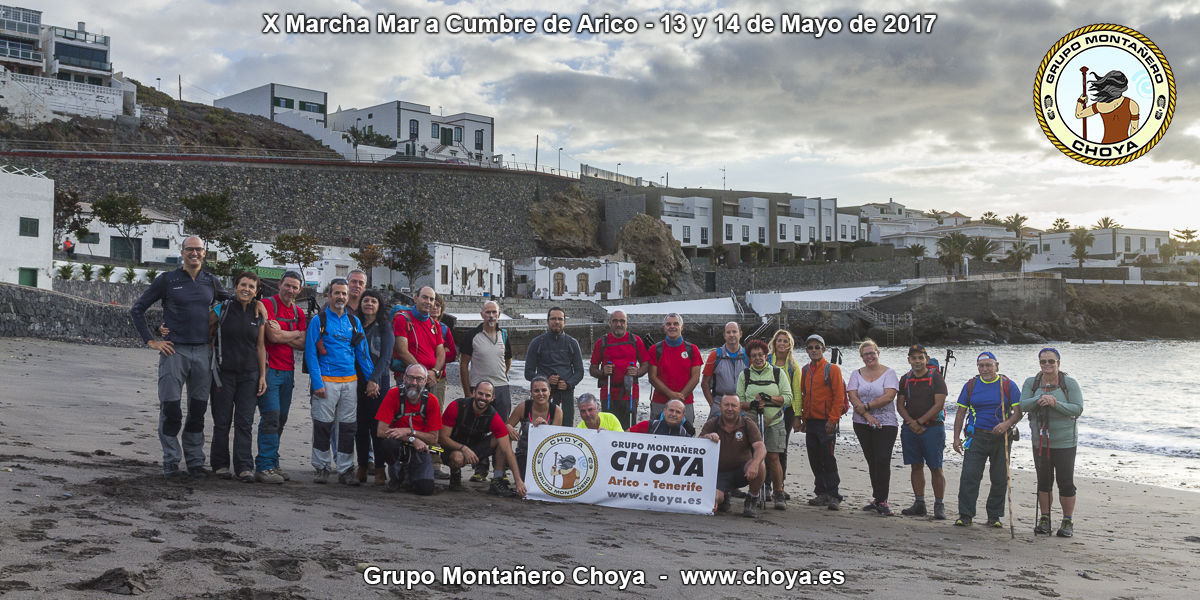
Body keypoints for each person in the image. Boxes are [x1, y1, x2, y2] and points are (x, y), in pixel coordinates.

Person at [130, 236, 231, 479]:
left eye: (198, 250)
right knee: (172, 409)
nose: (194, 253)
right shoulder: (167, 280)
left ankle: (195, 462)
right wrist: (152, 339)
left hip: (203, 352)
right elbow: (137, 309)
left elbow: (232, 303)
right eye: (189, 250)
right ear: (182, 252)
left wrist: (258, 307)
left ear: (204, 253)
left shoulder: (211, 281)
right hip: (174, 351)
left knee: (197, 411)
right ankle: (171, 461)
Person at [305, 278, 374, 486]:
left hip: (350, 383)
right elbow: (310, 353)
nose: (341, 297)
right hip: (326, 382)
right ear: (329, 296)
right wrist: (317, 383)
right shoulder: (320, 320)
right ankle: (322, 468)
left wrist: (372, 380)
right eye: (337, 293)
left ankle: (345, 470)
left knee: (347, 428)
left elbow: (362, 354)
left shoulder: (354, 322)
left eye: (344, 294)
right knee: (323, 426)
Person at [208, 271, 268, 483]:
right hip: (223, 374)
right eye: (243, 285)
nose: (247, 289)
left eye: (251, 287)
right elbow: (202, 327)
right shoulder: (222, 308)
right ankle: (220, 464)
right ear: (235, 286)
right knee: (222, 421)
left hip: (250, 375)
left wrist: (262, 376)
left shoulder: (258, 313)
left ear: (256, 291)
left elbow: (260, 346)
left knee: (244, 422)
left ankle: (244, 466)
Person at [953, 351, 1023, 528]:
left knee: (999, 477)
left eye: (989, 365)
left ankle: (994, 516)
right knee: (970, 475)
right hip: (975, 436)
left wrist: (1006, 425)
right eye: (981, 366)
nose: (985, 369)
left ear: (996, 366)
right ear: (978, 367)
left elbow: (1018, 413)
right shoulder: (971, 385)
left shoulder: (1008, 385)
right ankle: (966, 515)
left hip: (1002, 437)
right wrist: (956, 438)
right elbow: (960, 413)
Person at [1019, 348, 1084, 538]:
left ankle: (1067, 520)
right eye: (1043, 362)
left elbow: (1077, 408)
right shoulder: (1032, 382)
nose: (1047, 365)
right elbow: (1023, 405)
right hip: (1040, 442)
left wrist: (1055, 403)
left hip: (1065, 442)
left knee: (1066, 482)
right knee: (1044, 481)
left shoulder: (1069, 383)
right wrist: (1040, 399)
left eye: (1051, 362)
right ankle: (1045, 518)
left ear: (1058, 363)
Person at [257, 270, 306, 482]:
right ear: (280, 284)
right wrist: (292, 334)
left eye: (295, 287)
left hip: (288, 372)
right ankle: (264, 466)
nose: (290, 290)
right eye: (287, 285)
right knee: (271, 417)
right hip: (269, 371)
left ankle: (273, 463)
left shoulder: (299, 313)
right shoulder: (268, 305)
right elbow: (271, 336)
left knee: (282, 419)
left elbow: (303, 343)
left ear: (300, 290)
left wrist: (282, 335)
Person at [439, 381, 526, 497]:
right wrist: (463, 448)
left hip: (475, 449)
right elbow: (442, 438)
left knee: (503, 436)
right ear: (474, 392)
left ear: (492, 398)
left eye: (487, 395)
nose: (483, 398)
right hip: (452, 448)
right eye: (480, 393)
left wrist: (519, 480)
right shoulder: (457, 406)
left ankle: (497, 479)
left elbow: (508, 451)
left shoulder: (493, 415)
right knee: (457, 457)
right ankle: (455, 473)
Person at [459, 300, 513, 482]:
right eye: (488, 312)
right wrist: (468, 392)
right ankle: (480, 469)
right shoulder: (472, 335)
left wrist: (500, 376)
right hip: (477, 388)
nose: (491, 316)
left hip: (502, 388)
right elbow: (464, 363)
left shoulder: (504, 335)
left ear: (499, 315)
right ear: (482, 314)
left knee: (502, 430)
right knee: (479, 429)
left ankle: (501, 472)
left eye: (494, 313)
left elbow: (508, 360)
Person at [736, 339, 793, 510]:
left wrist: (770, 399)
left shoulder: (778, 373)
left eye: (761, 354)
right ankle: (755, 491)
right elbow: (739, 400)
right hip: (752, 422)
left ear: (766, 355)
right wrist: (752, 404)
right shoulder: (744, 375)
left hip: (774, 420)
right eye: (754, 356)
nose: (758, 358)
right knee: (753, 458)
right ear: (749, 358)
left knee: (773, 457)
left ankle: (778, 492)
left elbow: (788, 398)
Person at [794, 334, 848, 510]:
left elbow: (839, 397)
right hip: (811, 422)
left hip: (827, 421)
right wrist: (802, 418)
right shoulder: (805, 370)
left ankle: (834, 494)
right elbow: (803, 396)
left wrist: (833, 420)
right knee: (814, 458)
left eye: (817, 347)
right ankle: (821, 492)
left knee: (828, 458)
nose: (814, 350)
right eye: (810, 347)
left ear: (824, 349)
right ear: (806, 351)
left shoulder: (832, 370)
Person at [847, 339, 900, 516]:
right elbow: (852, 396)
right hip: (862, 423)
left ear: (878, 353)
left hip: (886, 423)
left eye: (872, 353)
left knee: (882, 459)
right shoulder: (856, 374)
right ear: (861, 357)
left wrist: (868, 407)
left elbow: (889, 396)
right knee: (872, 460)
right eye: (865, 354)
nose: (869, 356)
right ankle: (877, 498)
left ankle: (883, 500)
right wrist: (867, 415)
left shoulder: (889, 373)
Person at [896, 344, 949, 520]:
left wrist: (919, 422)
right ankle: (919, 503)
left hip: (933, 428)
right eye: (914, 358)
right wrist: (912, 423)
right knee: (916, 465)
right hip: (910, 428)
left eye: (921, 358)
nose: (917, 361)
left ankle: (939, 504)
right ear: (909, 360)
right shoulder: (905, 379)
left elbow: (939, 404)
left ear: (926, 359)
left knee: (936, 467)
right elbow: (900, 405)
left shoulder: (936, 378)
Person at [375, 364, 442, 496]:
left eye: (419, 379)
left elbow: (434, 438)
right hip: (398, 444)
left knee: (425, 489)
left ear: (425, 381)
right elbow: (381, 431)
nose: (414, 383)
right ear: (404, 378)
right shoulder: (393, 394)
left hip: (421, 447)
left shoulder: (432, 401)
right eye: (410, 378)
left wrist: (409, 431)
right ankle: (396, 475)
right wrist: (412, 439)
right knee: (388, 443)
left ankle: (411, 476)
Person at [701, 394, 767, 518]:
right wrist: (707, 437)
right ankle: (724, 496)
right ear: (720, 406)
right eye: (726, 405)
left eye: (733, 405)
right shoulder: (712, 423)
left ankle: (752, 499)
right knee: (716, 499)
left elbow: (760, 447)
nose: (730, 408)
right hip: (718, 474)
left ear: (740, 408)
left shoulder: (747, 423)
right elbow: (696, 446)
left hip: (741, 472)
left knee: (760, 465)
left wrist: (754, 464)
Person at [355, 289, 394, 485]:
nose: (369, 304)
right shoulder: (354, 325)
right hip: (357, 382)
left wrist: (374, 380)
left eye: (373, 301)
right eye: (366, 300)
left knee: (377, 428)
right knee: (359, 427)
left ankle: (380, 469)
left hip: (380, 382)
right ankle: (362, 466)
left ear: (379, 306)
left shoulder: (384, 327)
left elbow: (386, 357)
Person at [523, 307, 584, 426]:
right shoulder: (537, 343)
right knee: (542, 428)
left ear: (564, 322)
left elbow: (579, 372)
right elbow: (528, 373)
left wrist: (568, 383)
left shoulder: (572, 343)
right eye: (553, 319)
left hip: (566, 394)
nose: (557, 322)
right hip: (543, 395)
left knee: (566, 429)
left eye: (560, 319)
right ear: (547, 321)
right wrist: (545, 381)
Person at [590, 310, 650, 430]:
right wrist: (603, 372)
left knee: (629, 428)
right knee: (608, 427)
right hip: (608, 392)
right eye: (615, 321)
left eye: (622, 321)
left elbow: (646, 364)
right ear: (610, 323)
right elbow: (592, 369)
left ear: (627, 323)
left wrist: (637, 372)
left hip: (630, 392)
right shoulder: (602, 342)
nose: (619, 324)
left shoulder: (635, 341)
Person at [767, 329, 804, 497]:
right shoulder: (766, 360)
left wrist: (797, 416)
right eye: (779, 341)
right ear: (774, 343)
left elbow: (797, 392)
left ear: (790, 345)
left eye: (785, 341)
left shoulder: (793, 367)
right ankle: (765, 484)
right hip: (767, 409)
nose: (782, 344)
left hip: (786, 411)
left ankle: (779, 486)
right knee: (764, 448)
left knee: (781, 449)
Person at [647, 313, 703, 422]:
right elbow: (652, 377)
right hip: (660, 402)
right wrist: (670, 394)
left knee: (686, 437)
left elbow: (695, 377)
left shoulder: (693, 349)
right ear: (664, 328)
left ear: (681, 327)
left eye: (676, 324)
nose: (672, 326)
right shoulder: (655, 349)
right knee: (657, 436)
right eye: (668, 324)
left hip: (685, 402)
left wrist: (680, 397)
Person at [507, 376, 562, 481]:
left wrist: (544, 429)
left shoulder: (556, 411)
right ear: (531, 393)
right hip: (524, 453)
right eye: (536, 391)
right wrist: (508, 427)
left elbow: (554, 441)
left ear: (550, 392)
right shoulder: (523, 407)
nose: (540, 394)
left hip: (545, 455)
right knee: (503, 436)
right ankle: (499, 476)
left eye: (544, 390)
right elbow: (506, 427)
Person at [392, 286, 446, 391]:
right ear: (416, 299)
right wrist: (422, 373)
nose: (428, 302)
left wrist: (434, 372)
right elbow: (402, 351)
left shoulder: (435, 325)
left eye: (431, 299)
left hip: (429, 379)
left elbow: (441, 352)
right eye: (424, 297)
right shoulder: (403, 320)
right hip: (409, 378)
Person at [701, 322, 749, 422]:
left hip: (742, 404)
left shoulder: (748, 356)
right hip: (720, 402)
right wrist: (712, 404)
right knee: (712, 434)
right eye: (728, 332)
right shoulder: (715, 355)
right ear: (724, 335)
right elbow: (705, 383)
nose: (731, 335)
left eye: (734, 332)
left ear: (740, 334)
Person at [1075, 70, 1140, 144]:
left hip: (1105, 145)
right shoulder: (1132, 104)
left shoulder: (1100, 105)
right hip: (1124, 147)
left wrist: (1080, 101)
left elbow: (1079, 114)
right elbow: (1134, 129)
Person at [429, 294, 457, 403]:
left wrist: (434, 353)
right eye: (433, 305)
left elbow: (453, 355)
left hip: (439, 377)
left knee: (436, 411)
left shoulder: (444, 329)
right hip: (419, 374)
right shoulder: (417, 325)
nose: (435, 307)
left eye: (438, 305)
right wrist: (441, 351)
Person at [630, 399, 695, 437]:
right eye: (671, 410)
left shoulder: (685, 434)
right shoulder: (648, 425)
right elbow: (625, 437)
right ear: (664, 411)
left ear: (683, 416)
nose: (673, 414)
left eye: (678, 412)